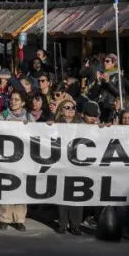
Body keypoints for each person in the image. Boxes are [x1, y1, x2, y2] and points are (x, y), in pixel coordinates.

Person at [0, 91, 30, 232]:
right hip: (7, 156)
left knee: (21, 189)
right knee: (6, 187)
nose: (13, 101)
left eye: (17, 99)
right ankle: (4, 218)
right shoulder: (4, 115)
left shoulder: (29, 117)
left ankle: (19, 219)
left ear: (22, 102)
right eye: (11, 99)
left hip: (23, 157)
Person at [52, 97, 83, 236]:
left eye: (73, 108)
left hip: (77, 164)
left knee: (77, 194)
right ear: (61, 110)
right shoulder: (55, 124)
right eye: (67, 107)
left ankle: (76, 225)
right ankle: (62, 223)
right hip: (61, 163)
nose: (70, 110)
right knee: (62, 194)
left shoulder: (82, 124)